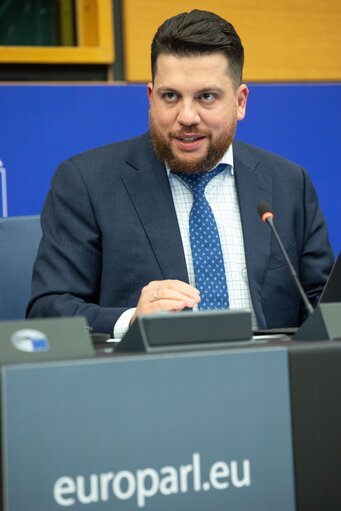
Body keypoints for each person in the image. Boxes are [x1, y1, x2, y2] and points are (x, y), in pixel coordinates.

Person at [26, 9, 334, 335]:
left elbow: (323, 307)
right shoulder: (87, 183)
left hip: (271, 375)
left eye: (206, 97)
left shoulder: (288, 184)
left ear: (240, 102)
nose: (187, 116)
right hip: (150, 379)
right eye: (170, 96)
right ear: (150, 98)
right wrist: (132, 321)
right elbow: (48, 312)